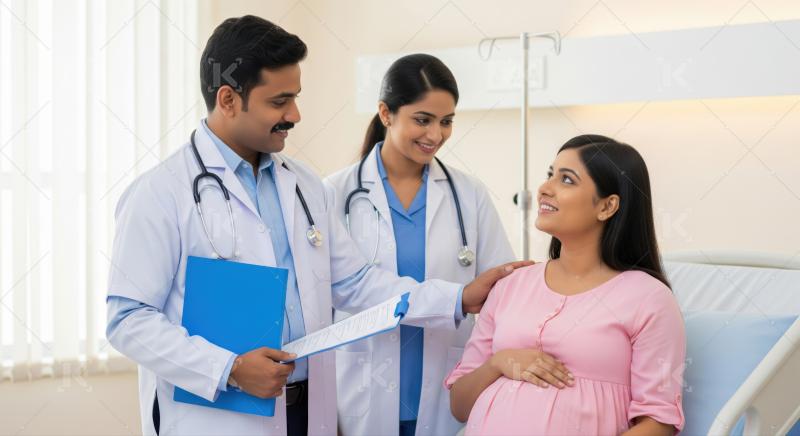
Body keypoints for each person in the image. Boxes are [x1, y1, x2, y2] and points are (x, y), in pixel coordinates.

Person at [105, 16, 528, 436]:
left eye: (296, 97)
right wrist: (229, 369)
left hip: (308, 411)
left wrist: (456, 297)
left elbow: (357, 282)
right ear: (229, 99)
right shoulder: (161, 193)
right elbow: (127, 319)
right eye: (279, 101)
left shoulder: (303, 184)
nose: (296, 114)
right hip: (219, 416)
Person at [324, 53, 516, 436]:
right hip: (360, 389)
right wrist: (457, 297)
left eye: (446, 122)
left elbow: (501, 292)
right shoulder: (333, 193)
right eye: (422, 120)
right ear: (386, 113)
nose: (436, 135)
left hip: (445, 391)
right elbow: (334, 291)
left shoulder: (469, 195)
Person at [446, 135, 686, 435]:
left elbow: (658, 423)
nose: (545, 188)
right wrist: (499, 362)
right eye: (550, 175)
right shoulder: (510, 285)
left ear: (607, 206)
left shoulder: (648, 299)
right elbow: (459, 406)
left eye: (567, 180)